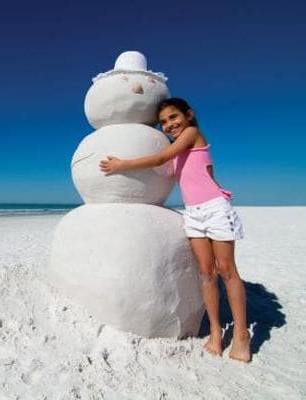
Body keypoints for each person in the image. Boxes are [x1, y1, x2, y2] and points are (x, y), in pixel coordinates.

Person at [99, 98, 251, 362]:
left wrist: (122, 165)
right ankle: (216, 331)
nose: (169, 125)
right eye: (164, 122)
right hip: (193, 213)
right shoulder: (180, 147)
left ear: (189, 115)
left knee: (227, 271)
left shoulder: (193, 133)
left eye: (173, 117)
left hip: (215, 209)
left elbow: (160, 157)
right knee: (206, 273)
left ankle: (241, 335)